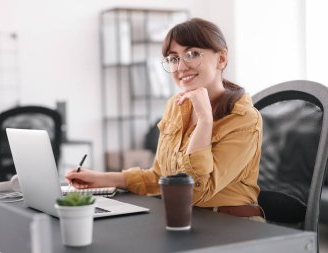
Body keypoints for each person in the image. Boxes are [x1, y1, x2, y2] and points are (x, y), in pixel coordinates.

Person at [66, 18, 264, 221]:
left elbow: (192, 193)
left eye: (193, 54)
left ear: (221, 59)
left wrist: (205, 121)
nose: (181, 67)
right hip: (185, 219)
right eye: (173, 58)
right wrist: (100, 178)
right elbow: (160, 177)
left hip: (232, 226)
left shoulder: (245, 119)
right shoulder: (177, 106)